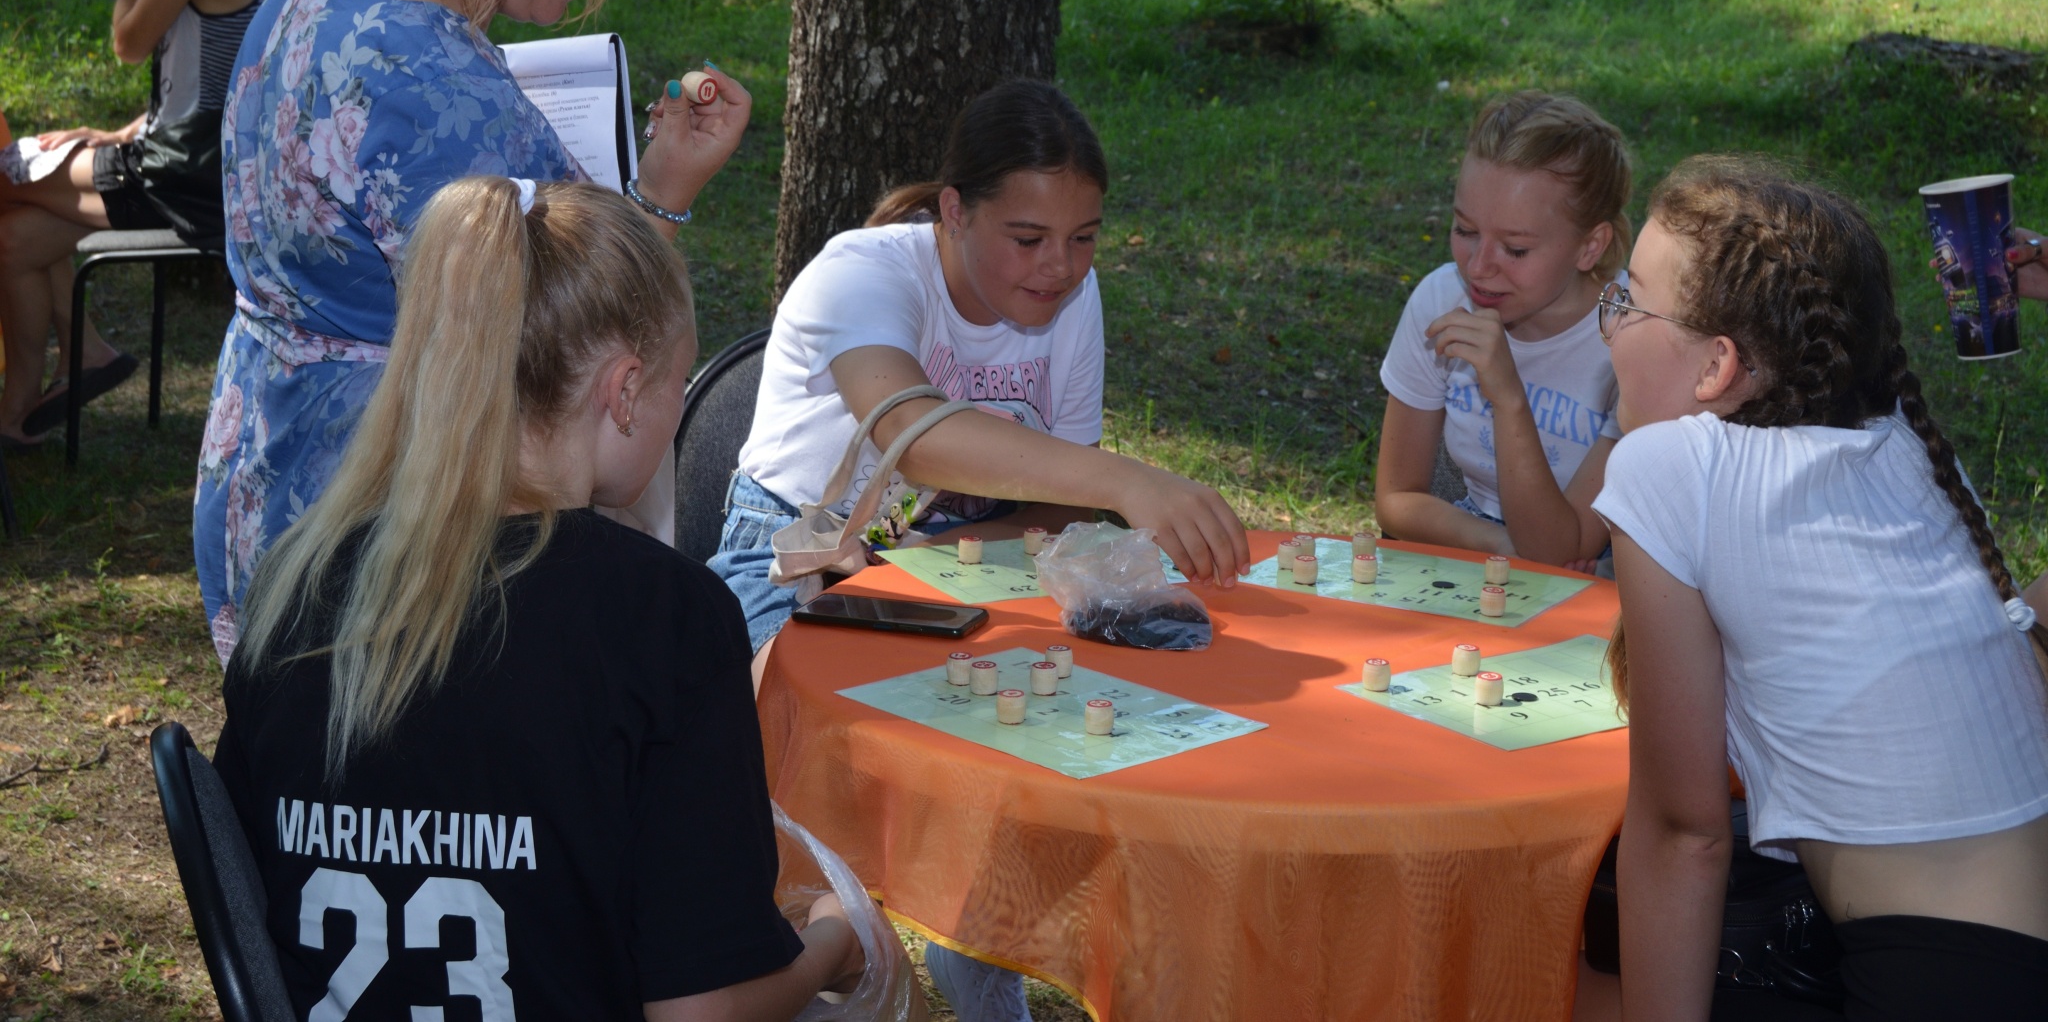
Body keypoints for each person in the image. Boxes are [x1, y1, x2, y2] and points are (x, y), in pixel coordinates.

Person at [215, 176, 882, 1021]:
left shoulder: (296, 582)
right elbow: (703, 1013)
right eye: (679, 384)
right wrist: (839, 942)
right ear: (626, 390)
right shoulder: (661, 619)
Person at [192, 0, 749, 664]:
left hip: (276, 478)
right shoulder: (429, 80)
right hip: (395, 547)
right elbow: (585, 352)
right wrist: (660, 201)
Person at [708, 80, 1247, 1022]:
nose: (1061, 268)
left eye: (1084, 238)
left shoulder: (1070, 302)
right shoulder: (862, 271)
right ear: (953, 212)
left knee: (1074, 703)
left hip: (954, 550)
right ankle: (827, 938)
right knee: (786, 767)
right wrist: (1127, 482)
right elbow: (912, 429)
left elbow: (1042, 499)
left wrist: (1056, 509)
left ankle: (985, 934)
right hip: (796, 558)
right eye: (1029, 238)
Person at [1589, 157, 2048, 1021]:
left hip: (1951, 976)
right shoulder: (1910, 453)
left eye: (1626, 302)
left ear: (1716, 368)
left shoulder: (1672, 465)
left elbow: (1683, 834)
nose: (1603, 323)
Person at [0, 0, 285, 449]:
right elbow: (209, 85)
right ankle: (35, 399)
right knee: (14, 241)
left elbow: (128, 44)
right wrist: (119, 133)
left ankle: (77, 361)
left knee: (6, 180)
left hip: (179, 176)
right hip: (204, 167)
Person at [1374, 93, 1632, 571]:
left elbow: (1563, 549)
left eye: (1515, 249)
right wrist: (1502, 545)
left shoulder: (1633, 339)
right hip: (1483, 545)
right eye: (1464, 230)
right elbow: (1396, 499)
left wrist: (1509, 397)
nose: (1478, 267)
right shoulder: (1441, 301)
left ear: (1590, 247)